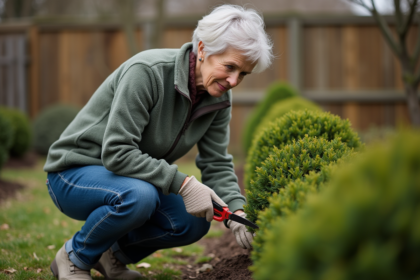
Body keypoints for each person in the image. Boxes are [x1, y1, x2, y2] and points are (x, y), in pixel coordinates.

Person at [44, 4, 273, 280]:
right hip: (72, 173)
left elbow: (216, 162)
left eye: (243, 74)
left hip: (129, 178)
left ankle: (111, 256)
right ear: (202, 49)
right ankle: (74, 257)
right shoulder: (148, 72)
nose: (234, 80)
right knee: (140, 196)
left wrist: (237, 210)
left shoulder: (219, 99)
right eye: (230, 67)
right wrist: (184, 184)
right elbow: (117, 152)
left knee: (193, 221)